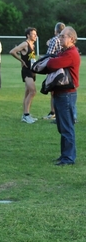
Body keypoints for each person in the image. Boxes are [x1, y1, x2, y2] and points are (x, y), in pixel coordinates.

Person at [46, 26, 80, 166]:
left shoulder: (70, 53)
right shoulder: (65, 52)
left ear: (71, 39)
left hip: (66, 95)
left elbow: (52, 63)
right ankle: (65, 155)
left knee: (66, 127)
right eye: (60, 36)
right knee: (62, 127)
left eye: (62, 36)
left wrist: (49, 61)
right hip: (61, 94)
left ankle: (68, 158)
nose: (60, 39)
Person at [9, 27, 38, 124]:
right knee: (33, 91)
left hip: (32, 71)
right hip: (26, 71)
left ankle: (26, 114)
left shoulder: (32, 45)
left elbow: (31, 58)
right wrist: (21, 60)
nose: (35, 35)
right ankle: (26, 115)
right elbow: (12, 51)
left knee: (27, 93)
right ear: (28, 35)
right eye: (33, 34)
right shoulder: (25, 44)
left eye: (35, 34)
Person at [43, 22, 65, 121]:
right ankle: (56, 113)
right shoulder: (66, 40)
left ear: (55, 31)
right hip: (65, 69)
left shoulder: (55, 39)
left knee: (54, 91)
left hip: (55, 69)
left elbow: (49, 55)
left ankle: (54, 113)